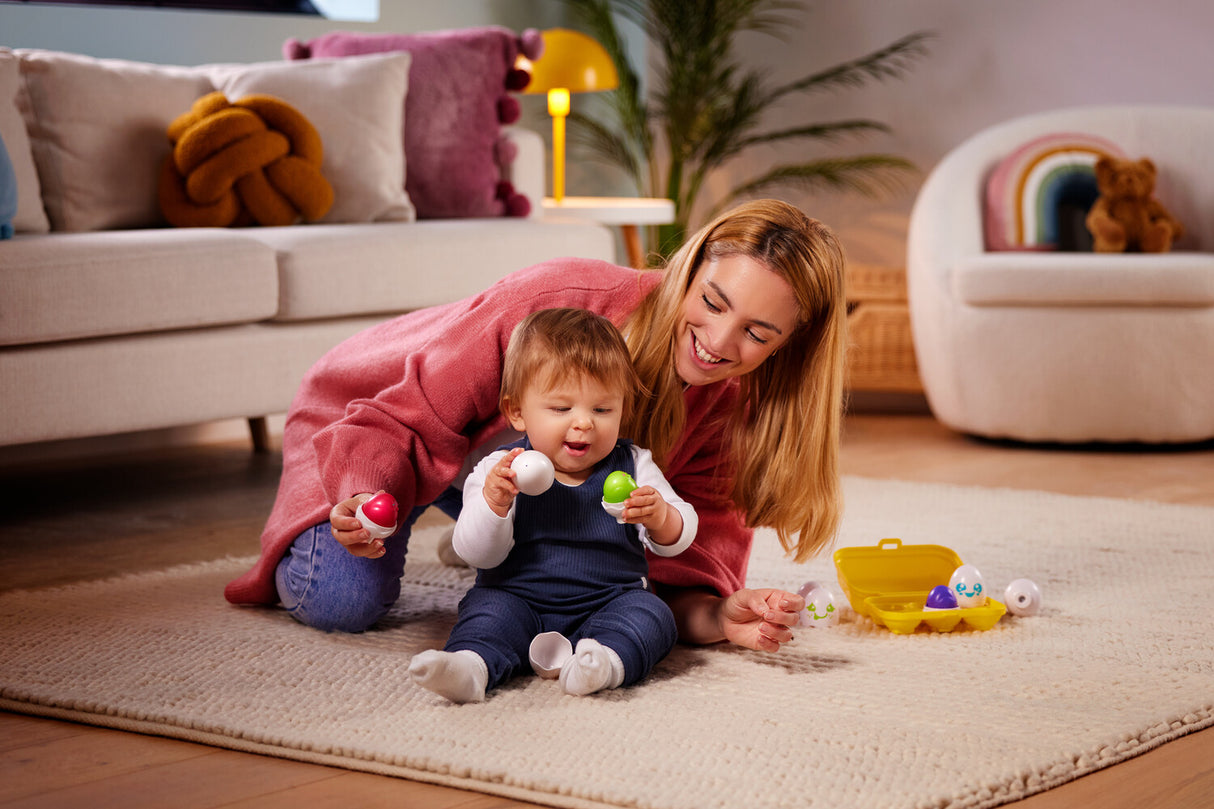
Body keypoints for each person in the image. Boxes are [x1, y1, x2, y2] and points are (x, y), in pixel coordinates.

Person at [224, 198, 847, 655]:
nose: (717, 341)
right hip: (375, 418)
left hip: (491, 465)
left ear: (786, 348)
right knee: (342, 600)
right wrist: (363, 496)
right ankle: (434, 514)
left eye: (757, 334)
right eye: (713, 303)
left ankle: (504, 525)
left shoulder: (733, 414)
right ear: (689, 271)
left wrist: (718, 616)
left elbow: (680, 572)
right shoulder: (560, 300)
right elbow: (402, 415)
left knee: (529, 522)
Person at [408, 308, 696, 702]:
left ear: (623, 409)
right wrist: (495, 504)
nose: (583, 423)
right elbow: (477, 554)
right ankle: (469, 666)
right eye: (561, 409)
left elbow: (680, 537)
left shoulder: (634, 464)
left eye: (602, 409)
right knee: (485, 613)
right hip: (517, 597)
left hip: (608, 601)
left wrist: (661, 516)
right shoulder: (500, 470)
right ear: (516, 412)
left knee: (654, 617)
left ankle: (603, 664)